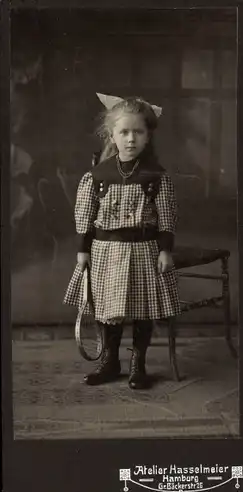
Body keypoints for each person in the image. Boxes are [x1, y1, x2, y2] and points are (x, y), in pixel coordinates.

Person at [63, 93, 181, 390]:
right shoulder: (96, 177)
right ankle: (110, 360)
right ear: (111, 135)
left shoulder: (156, 177)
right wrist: (82, 251)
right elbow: (84, 215)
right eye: (124, 132)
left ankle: (137, 364)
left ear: (147, 135)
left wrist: (165, 249)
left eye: (138, 132)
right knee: (107, 308)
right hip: (106, 251)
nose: (131, 139)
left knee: (143, 309)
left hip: (144, 250)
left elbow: (167, 216)